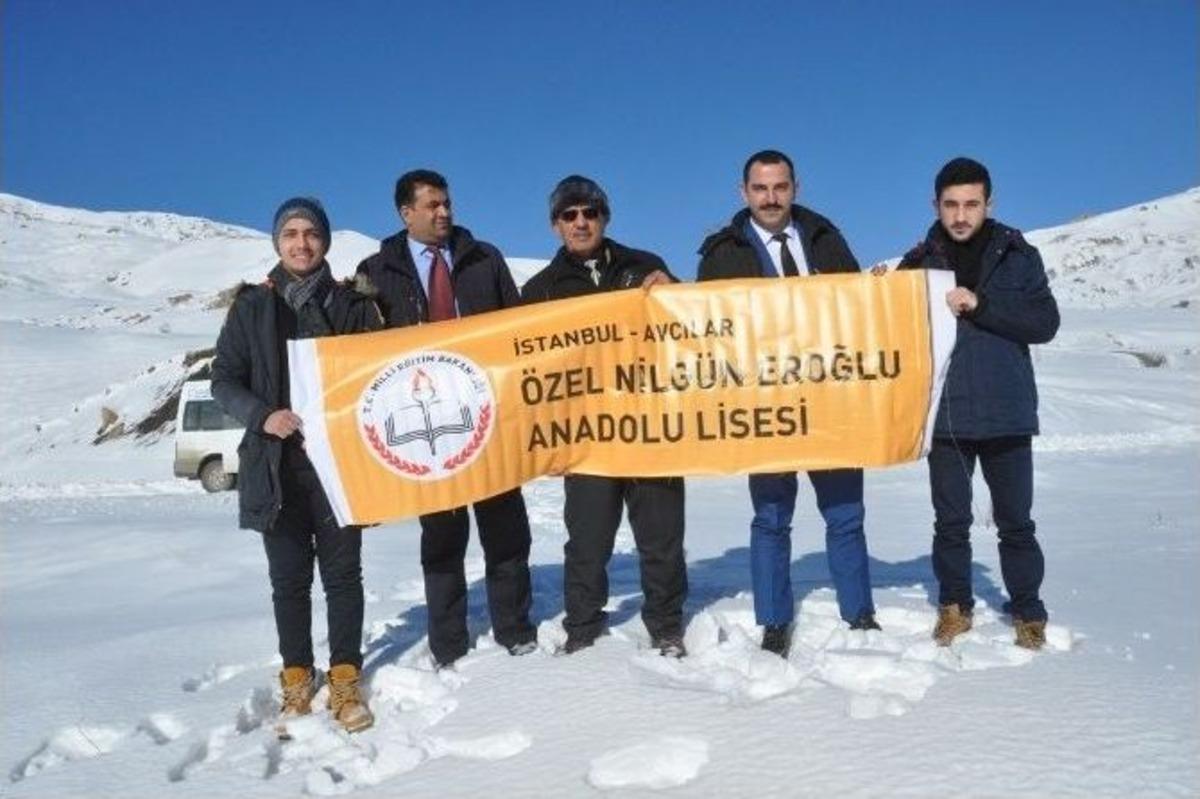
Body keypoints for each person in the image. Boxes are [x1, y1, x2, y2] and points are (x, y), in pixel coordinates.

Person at [697, 150, 879, 657]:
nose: (771, 197)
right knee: (771, 517)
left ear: (795, 187)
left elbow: (858, 307)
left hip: (831, 401)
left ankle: (859, 611)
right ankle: (774, 620)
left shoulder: (826, 238)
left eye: (779, 187)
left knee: (846, 512)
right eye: (760, 188)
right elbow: (704, 330)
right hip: (765, 407)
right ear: (744, 193)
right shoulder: (721, 252)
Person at [212, 197, 381, 737]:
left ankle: (346, 676)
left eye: (311, 233)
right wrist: (263, 416)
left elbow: (380, 369)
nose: (301, 242)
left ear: (325, 242)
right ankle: (296, 676)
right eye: (291, 233)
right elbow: (223, 380)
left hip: (338, 466)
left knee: (343, 577)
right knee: (288, 582)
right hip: (275, 467)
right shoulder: (250, 308)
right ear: (277, 242)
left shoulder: (353, 304)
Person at [355, 169, 537, 668]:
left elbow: (517, 329)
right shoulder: (377, 269)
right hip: (427, 429)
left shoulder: (484, 258)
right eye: (432, 205)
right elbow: (359, 349)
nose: (444, 213)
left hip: (488, 419)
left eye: (447, 203)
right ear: (405, 212)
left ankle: (515, 628)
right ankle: (448, 641)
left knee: (506, 532)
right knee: (442, 540)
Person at [894, 157, 1059, 650]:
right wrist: (882, 293)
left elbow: (1043, 324)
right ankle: (954, 606)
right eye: (951, 205)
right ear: (935, 205)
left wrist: (981, 306)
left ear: (989, 203)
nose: (961, 215)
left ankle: (1028, 611)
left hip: (1007, 410)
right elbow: (894, 331)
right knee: (951, 523)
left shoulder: (1018, 254)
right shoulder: (918, 261)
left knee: (1016, 523)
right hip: (946, 414)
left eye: (971, 204)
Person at [521, 175, 688, 658]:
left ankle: (666, 624)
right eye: (569, 215)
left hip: (650, 427)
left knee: (661, 536)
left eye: (589, 213)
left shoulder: (645, 266)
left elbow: (687, 332)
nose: (580, 222)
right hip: (587, 435)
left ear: (604, 217)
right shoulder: (541, 290)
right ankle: (583, 624)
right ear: (556, 225)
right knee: (588, 540)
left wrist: (674, 291)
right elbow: (526, 371)